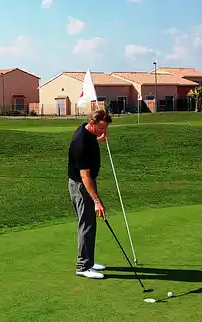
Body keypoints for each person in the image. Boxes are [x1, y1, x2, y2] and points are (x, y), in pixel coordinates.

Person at [67, 108, 112, 279]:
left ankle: (89, 262)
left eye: (106, 128)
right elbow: (85, 177)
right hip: (81, 186)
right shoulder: (81, 144)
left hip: (84, 184)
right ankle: (83, 266)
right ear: (92, 123)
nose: (104, 132)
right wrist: (96, 201)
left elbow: (92, 138)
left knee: (90, 223)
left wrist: (98, 139)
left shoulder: (86, 130)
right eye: (101, 129)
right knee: (86, 224)